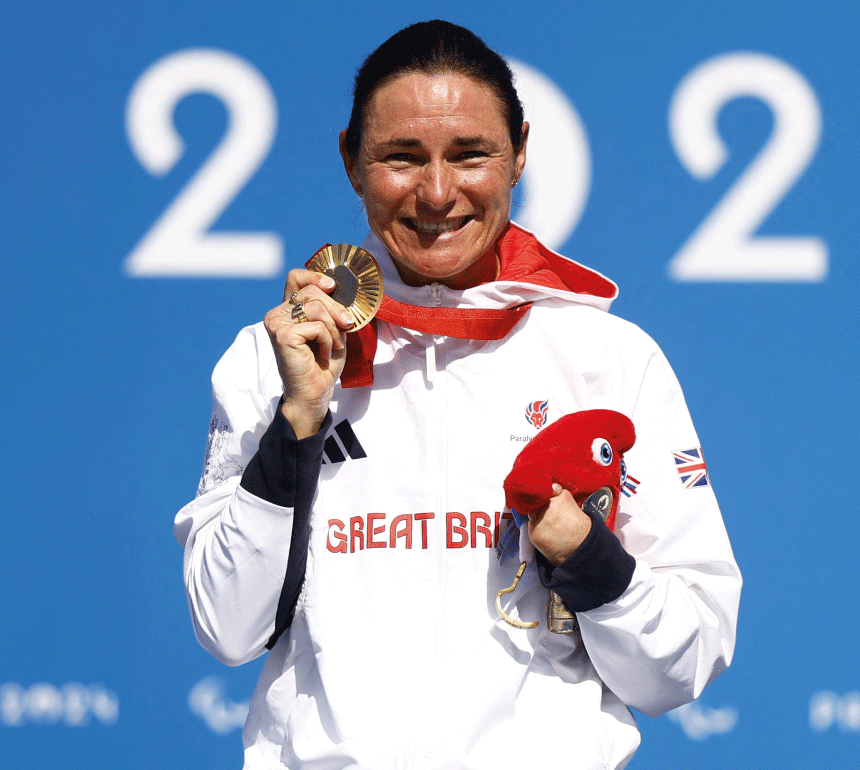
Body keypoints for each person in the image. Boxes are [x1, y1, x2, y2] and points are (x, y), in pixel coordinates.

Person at [175, 19, 741, 770]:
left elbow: (682, 664)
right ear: (350, 161)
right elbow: (225, 626)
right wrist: (296, 426)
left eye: (470, 155)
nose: (438, 193)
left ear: (520, 154)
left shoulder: (610, 358)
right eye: (402, 157)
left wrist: (589, 560)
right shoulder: (275, 356)